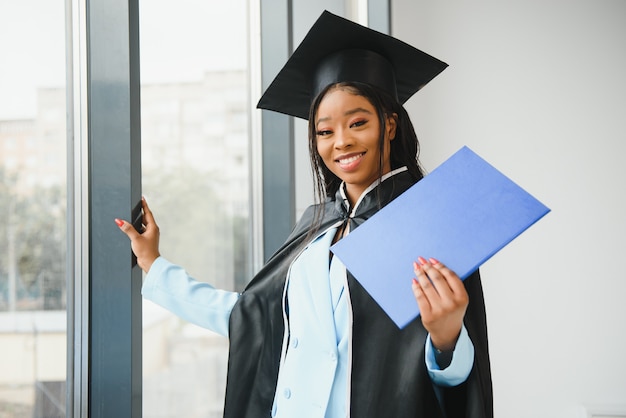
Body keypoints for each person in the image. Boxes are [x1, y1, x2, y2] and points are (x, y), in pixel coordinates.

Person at [116, 10, 493, 418]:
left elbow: (454, 384)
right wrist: (154, 264)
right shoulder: (316, 229)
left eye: (358, 122)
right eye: (325, 131)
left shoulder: (429, 225)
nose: (342, 142)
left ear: (390, 124)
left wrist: (447, 338)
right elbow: (249, 318)